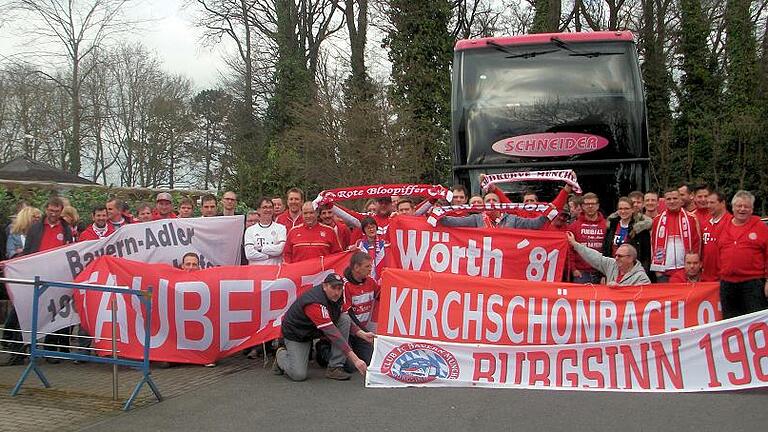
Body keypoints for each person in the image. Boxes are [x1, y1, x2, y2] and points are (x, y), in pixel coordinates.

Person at [274, 273, 373, 381]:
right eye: (333, 288)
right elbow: (333, 334)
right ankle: (281, 354)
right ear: (324, 286)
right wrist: (356, 359)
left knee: (345, 319)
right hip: (298, 334)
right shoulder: (314, 302)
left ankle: (335, 367)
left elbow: (345, 317)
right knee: (299, 375)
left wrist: (362, 334)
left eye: (339, 288)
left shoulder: (338, 296)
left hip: (316, 330)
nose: (336, 292)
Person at [23, 196, 75, 363]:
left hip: (56, 276)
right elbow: (27, 251)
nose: (53, 214)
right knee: (34, 312)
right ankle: (26, 348)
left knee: (54, 313)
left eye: (56, 211)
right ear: (46, 210)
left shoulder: (66, 229)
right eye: (51, 210)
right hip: (37, 275)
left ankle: (50, 350)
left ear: (61, 211)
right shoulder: (35, 228)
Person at [716, 190, 768, 319]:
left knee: (755, 322)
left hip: (753, 284)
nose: (742, 209)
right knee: (730, 322)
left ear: (752, 209)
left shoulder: (760, 227)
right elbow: (718, 253)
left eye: (746, 206)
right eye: (739, 206)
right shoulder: (722, 226)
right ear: (732, 208)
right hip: (727, 284)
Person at [650, 188, 701, 282]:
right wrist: (658, 270)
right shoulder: (657, 220)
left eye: (675, 198)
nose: (672, 201)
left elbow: (697, 243)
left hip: (686, 271)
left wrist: (694, 267)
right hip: (664, 271)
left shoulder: (691, 218)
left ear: (680, 200)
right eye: (669, 199)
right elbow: (653, 244)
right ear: (664, 201)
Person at [567, 232, 650, 286]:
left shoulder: (641, 277)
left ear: (630, 258)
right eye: (616, 255)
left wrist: (620, 289)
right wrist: (575, 244)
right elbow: (594, 257)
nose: (616, 258)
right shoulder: (612, 264)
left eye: (620, 256)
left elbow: (643, 300)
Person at [341, 252, 379, 367]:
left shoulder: (371, 282)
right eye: (367, 266)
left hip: (361, 332)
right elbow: (349, 313)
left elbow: (381, 296)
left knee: (370, 360)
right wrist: (363, 332)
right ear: (356, 267)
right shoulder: (345, 285)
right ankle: (324, 347)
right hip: (349, 331)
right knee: (350, 367)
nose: (370, 269)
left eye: (371, 266)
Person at [603, 197, 651, 273]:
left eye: (626, 208)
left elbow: (646, 255)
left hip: (633, 271)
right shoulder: (612, 226)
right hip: (613, 269)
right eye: (620, 208)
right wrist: (604, 273)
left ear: (632, 210)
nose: (623, 211)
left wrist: (643, 272)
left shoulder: (640, 229)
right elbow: (605, 251)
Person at [568, 192, 607, 284]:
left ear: (598, 206)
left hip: (601, 271)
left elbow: (608, 249)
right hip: (581, 273)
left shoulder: (606, 225)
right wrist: (573, 269)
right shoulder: (574, 226)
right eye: (587, 204)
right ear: (582, 206)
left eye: (593, 204)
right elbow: (569, 250)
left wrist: (606, 273)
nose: (590, 206)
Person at [244, 198, 286, 265]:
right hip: (256, 272)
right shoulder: (250, 230)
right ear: (258, 210)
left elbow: (280, 250)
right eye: (264, 207)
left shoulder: (281, 228)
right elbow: (249, 254)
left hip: (275, 271)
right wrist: (269, 255)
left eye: (270, 207)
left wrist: (260, 249)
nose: (268, 210)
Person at [700, 191, 732, 281]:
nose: (708, 206)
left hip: (723, 277)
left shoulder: (731, 222)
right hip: (706, 277)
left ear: (722, 203)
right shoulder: (705, 223)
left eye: (712, 203)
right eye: (707, 203)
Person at [354, 217, 388, 282]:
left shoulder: (384, 243)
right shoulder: (359, 244)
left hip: (382, 279)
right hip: (365, 280)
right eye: (368, 228)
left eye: (373, 227)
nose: (371, 229)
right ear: (364, 230)